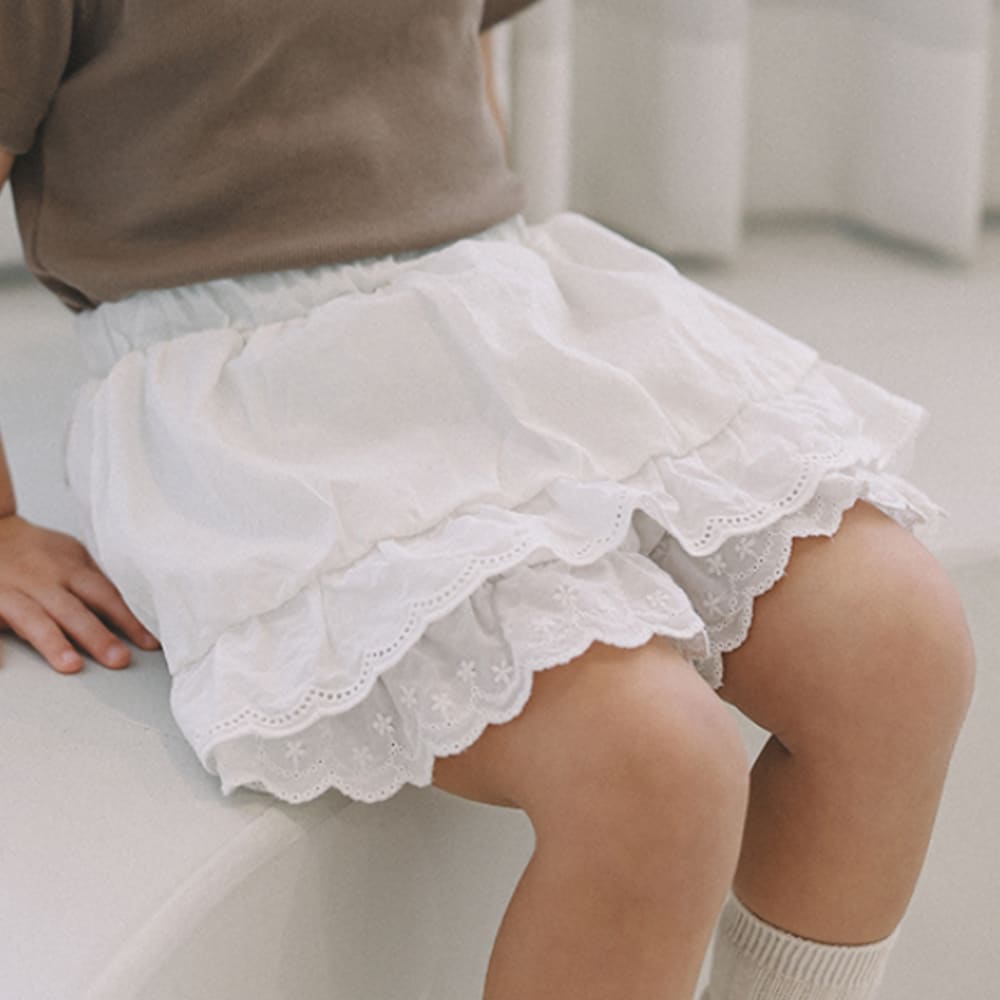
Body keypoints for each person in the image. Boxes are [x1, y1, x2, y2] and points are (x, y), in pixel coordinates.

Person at [0, 3, 977, 999]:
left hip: (492, 304)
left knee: (900, 652)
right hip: (254, 396)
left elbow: (453, 47)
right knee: (655, 769)